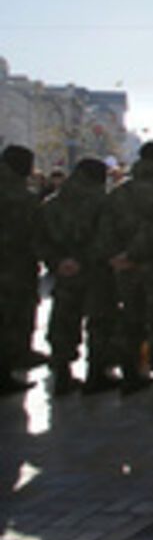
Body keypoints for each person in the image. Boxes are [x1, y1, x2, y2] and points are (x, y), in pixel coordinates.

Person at [95, 140, 153, 394]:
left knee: (131, 319)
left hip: (126, 269)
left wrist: (117, 256)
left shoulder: (120, 191)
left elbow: (105, 230)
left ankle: (130, 373)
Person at [37, 157, 114, 395]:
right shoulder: (104, 203)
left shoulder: (51, 204)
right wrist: (83, 260)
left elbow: (39, 240)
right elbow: (107, 239)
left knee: (63, 321)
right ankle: (96, 374)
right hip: (96, 272)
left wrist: (58, 262)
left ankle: (62, 373)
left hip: (65, 273)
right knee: (99, 322)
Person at [0, 145, 40, 394]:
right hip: (13, 266)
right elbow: (33, 235)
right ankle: (5, 374)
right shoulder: (19, 196)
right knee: (11, 320)